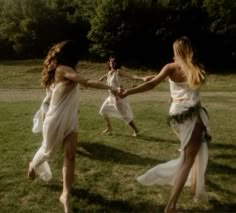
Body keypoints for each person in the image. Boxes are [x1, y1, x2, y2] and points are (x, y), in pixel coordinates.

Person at [118, 37, 211, 213]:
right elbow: (173, 80)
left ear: (177, 52)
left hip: (177, 113)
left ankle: (193, 187)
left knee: (192, 153)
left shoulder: (170, 68)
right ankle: (171, 206)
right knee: (187, 159)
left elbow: (153, 83)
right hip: (191, 114)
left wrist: (128, 92)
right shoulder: (198, 69)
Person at [28, 40, 116, 213]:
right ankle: (32, 165)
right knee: (48, 151)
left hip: (71, 120)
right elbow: (86, 82)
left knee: (70, 156)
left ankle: (65, 194)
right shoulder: (63, 69)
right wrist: (110, 87)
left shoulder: (65, 69)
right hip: (55, 120)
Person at [99, 56, 146, 137]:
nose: (112, 63)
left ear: (116, 63)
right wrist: (94, 82)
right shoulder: (109, 73)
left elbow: (131, 76)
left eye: (114, 62)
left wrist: (142, 78)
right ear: (109, 63)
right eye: (110, 62)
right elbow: (101, 79)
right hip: (110, 97)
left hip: (118, 97)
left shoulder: (118, 71)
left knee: (125, 116)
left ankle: (136, 130)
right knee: (103, 111)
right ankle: (109, 127)